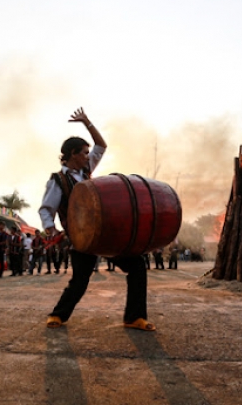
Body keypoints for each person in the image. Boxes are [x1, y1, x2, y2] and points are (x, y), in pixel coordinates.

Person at [40, 108, 155, 331]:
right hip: (81, 239)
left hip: (105, 235)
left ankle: (134, 317)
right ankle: (57, 315)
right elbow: (47, 209)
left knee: (137, 266)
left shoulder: (85, 171)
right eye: (84, 152)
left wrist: (87, 122)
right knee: (80, 280)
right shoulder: (58, 180)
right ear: (73, 154)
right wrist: (50, 229)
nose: (88, 156)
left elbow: (102, 146)